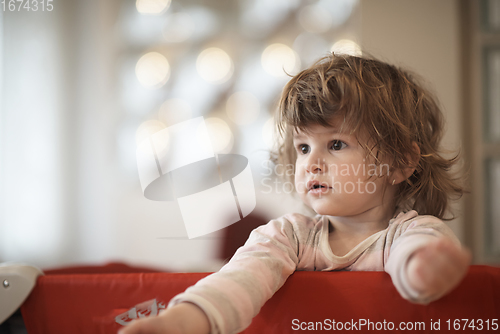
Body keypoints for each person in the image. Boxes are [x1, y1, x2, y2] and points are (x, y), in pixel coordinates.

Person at [119, 53, 471, 334]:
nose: (311, 163)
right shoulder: (290, 236)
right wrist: (181, 322)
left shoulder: (409, 234)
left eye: (335, 144)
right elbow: (241, 280)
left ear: (399, 163)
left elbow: (416, 256)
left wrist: (424, 269)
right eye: (302, 147)